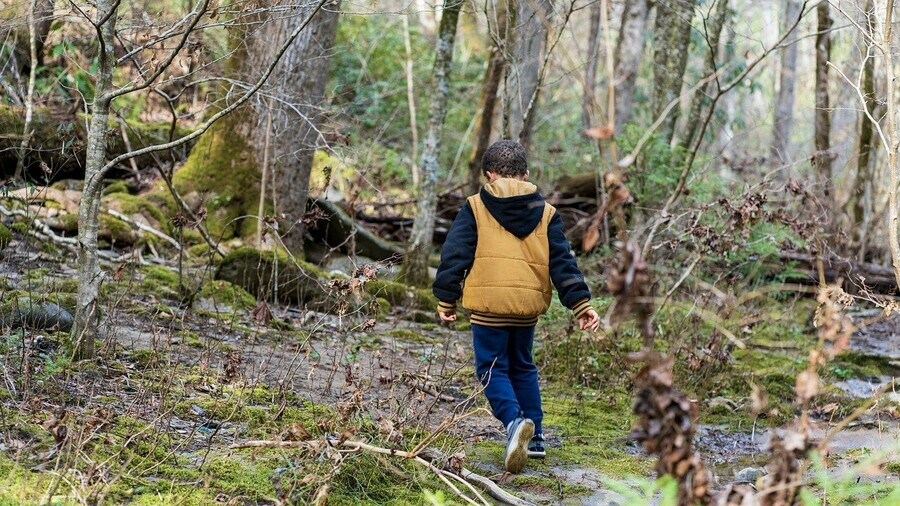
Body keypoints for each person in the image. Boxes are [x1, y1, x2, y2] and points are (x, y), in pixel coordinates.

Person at [433, 140, 600, 474]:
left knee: (491, 369)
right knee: (523, 366)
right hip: (526, 309)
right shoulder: (547, 213)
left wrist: (445, 298)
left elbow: (455, 255)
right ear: (526, 174)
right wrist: (581, 305)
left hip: (488, 308)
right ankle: (535, 439)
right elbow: (563, 264)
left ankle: (514, 423)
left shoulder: (476, 206)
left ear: (489, 174)